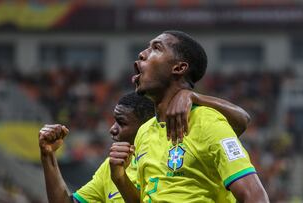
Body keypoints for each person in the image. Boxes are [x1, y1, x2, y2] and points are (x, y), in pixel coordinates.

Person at [110, 30, 269, 202]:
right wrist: (119, 178)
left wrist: (194, 96)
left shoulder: (207, 122)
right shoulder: (144, 132)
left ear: (178, 68)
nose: (142, 54)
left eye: (156, 48)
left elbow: (255, 197)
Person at [39, 90, 251, 203]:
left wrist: (193, 96)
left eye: (121, 122)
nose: (112, 130)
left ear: (148, 126)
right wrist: (48, 156)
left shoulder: (182, 155)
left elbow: (241, 121)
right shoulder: (111, 168)